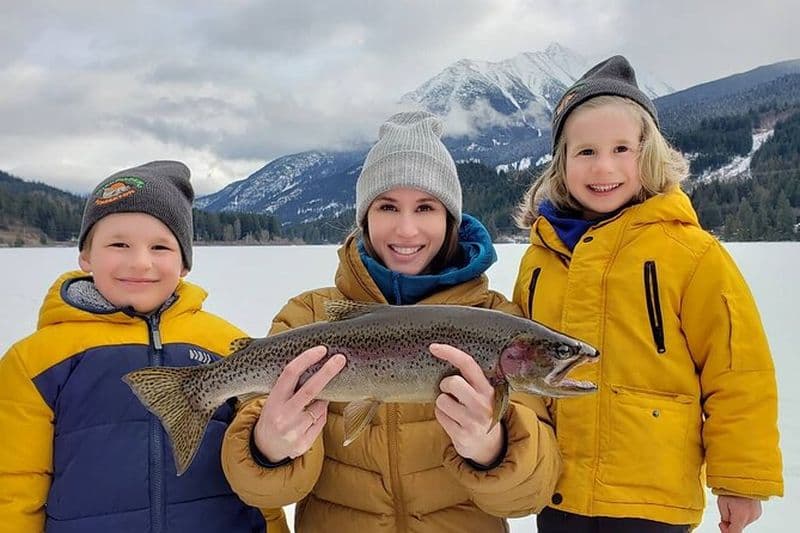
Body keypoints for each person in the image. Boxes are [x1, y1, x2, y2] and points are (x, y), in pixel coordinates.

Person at [221, 110, 561, 533]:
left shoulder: (497, 324)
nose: (406, 230)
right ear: (364, 217)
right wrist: (266, 449)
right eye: (387, 207)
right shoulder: (306, 317)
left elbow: (531, 496)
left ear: (450, 219)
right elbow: (260, 493)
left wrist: (491, 448)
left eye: (425, 207)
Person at [512, 55, 784, 533]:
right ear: (561, 163)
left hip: (653, 500)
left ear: (650, 153)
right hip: (559, 492)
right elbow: (523, 368)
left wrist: (741, 479)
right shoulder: (541, 259)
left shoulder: (692, 254)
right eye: (586, 151)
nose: (604, 167)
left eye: (622, 149)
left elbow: (738, 371)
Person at [0, 161, 270, 532]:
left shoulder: (229, 348)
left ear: (184, 262)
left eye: (160, 247)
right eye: (119, 244)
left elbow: (260, 483)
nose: (140, 263)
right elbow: (13, 487)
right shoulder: (34, 362)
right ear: (86, 256)